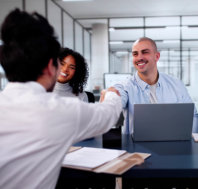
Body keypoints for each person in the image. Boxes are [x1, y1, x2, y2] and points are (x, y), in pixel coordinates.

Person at [0, 9, 121, 189]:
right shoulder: (61, 110)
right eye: (60, 64)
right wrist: (112, 94)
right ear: (51, 66)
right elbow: (108, 113)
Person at [110, 37, 198, 134]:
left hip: (173, 145)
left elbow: (192, 115)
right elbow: (116, 98)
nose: (139, 58)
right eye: (135, 54)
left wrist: (189, 139)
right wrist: (111, 96)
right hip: (137, 147)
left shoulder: (176, 85)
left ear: (157, 56)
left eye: (145, 52)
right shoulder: (126, 86)